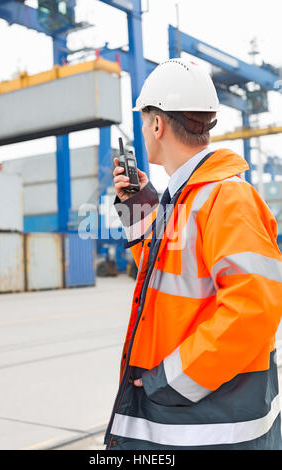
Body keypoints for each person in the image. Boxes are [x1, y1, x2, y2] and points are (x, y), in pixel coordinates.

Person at [104, 59, 282, 450]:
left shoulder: (228, 197)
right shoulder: (188, 198)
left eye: (145, 117)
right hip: (187, 420)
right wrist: (139, 204)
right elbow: (169, 276)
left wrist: (168, 381)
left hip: (208, 426)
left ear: (157, 124)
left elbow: (252, 311)